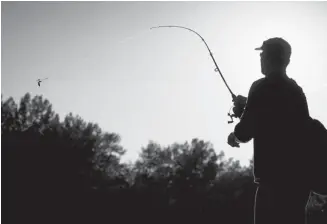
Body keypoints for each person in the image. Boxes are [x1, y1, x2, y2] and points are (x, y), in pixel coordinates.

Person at [227, 37, 312, 224]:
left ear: (267, 58)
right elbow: (278, 123)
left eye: (262, 55)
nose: (260, 59)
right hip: (298, 184)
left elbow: (245, 132)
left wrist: (234, 136)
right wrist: (249, 107)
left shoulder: (260, 87)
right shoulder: (296, 91)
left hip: (272, 183)